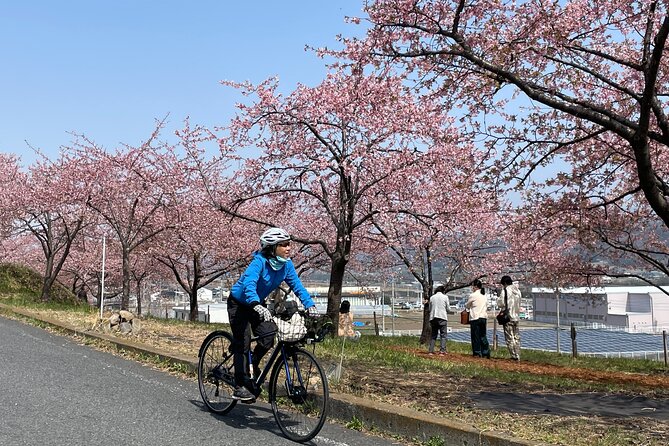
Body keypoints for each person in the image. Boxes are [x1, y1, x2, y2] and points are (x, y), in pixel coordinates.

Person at [227, 227, 318, 401]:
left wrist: (309, 304)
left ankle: (251, 362)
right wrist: (255, 303)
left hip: (256, 304)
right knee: (243, 341)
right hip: (239, 303)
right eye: (283, 245)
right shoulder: (259, 262)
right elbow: (249, 285)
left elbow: (296, 286)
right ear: (272, 247)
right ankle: (240, 385)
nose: (288, 248)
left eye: (289, 244)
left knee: (269, 335)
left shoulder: (286, 265)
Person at [497, 275, 522, 361]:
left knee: (509, 337)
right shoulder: (518, 291)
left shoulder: (506, 291)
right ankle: (518, 354)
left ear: (504, 283)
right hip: (516, 317)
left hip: (508, 317)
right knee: (516, 337)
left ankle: (514, 356)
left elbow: (500, 303)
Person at [465, 279, 490, 358]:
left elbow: (467, 305)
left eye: (472, 286)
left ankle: (477, 352)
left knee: (475, 336)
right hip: (483, 317)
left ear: (475, 287)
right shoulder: (484, 296)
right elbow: (488, 305)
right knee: (483, 336)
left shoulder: (473, 295)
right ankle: (485, 352)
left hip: (475, 317)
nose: (472, 288)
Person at [427, 285, 453, 355]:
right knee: (443, 335)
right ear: (443, 291)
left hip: (433, 317)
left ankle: (431, 350)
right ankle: (442, 351)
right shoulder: (445, 297)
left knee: (433, 334)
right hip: (442, 317)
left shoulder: (432, 297)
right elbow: (448, 309)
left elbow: (429, 309)